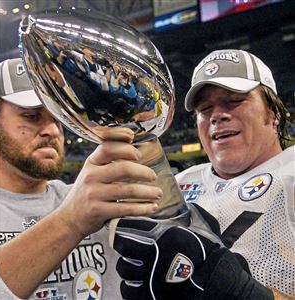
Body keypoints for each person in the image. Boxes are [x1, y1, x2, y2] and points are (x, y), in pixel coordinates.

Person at [109, 49, 295, 299]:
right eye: (205, 108)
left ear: (274, 113)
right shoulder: (176, 185)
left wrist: (244, 293)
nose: (217, 115)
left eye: (234, 100)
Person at [0, 58, 162, 299]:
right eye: (31, 116)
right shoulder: (80, 208)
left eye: (57, 119)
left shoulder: (97, 199)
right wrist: (69, 221)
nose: (52, 130)